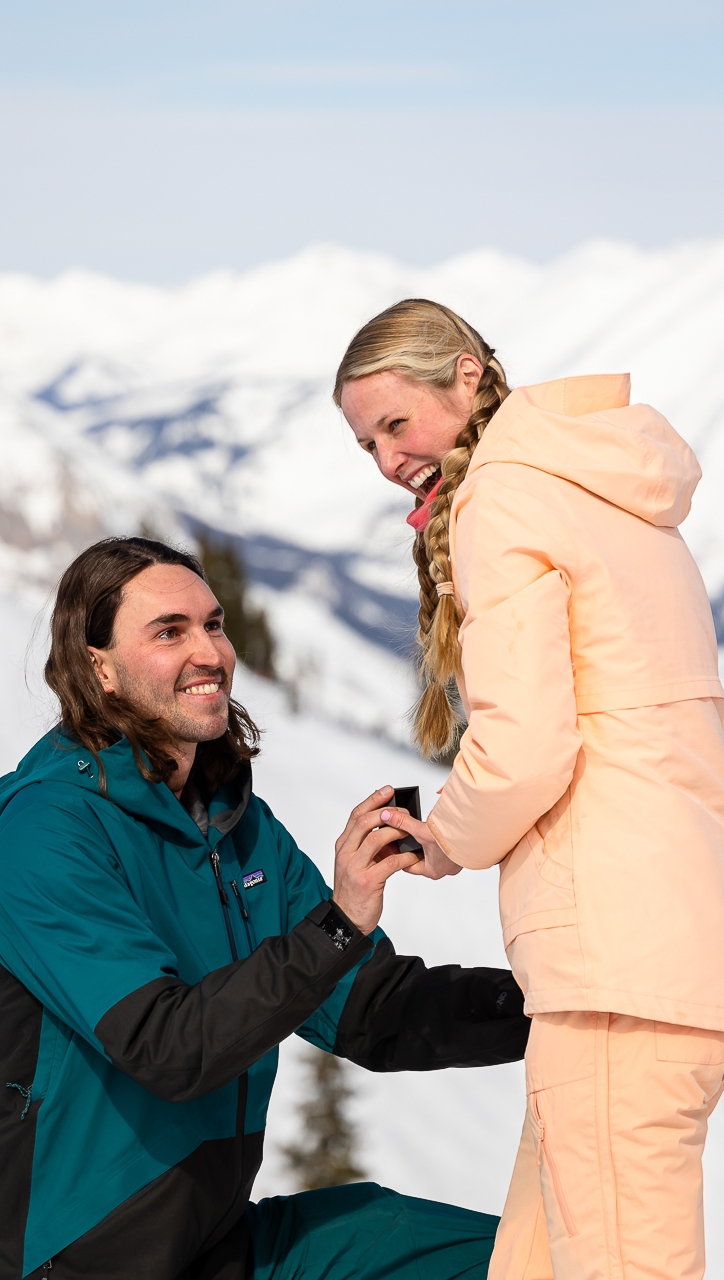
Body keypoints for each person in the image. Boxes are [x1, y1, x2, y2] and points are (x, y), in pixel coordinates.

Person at [0, 535, 529, 1280]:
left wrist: (560, 1004)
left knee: (523, 1259)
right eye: (170, 631)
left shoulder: (235, 825)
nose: (209, 652)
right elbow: (167, 1047)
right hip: (79, 1263)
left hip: (216, 1245)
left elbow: (371, 1011)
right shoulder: (48, 834)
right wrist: (336, 924)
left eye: (214, 624)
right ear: (98, 668)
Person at [334, 298, 724, 1280]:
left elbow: (525, 746)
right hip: (669, 935)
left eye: (394, 422)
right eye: (365, 441)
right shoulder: (600, 482)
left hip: (610, 954)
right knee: (537, 1256)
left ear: (465, 375)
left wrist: (443, 839)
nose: (387, 458)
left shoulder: (501, 498)